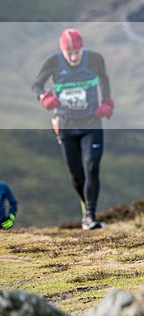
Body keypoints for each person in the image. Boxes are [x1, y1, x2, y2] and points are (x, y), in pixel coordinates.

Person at [32, 28, 114, 231]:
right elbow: (37, 85)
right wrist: (44, 97)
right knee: (77, 174)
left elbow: (104, 79)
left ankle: (90, 216)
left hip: (91, 123)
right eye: (70, 53)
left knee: (92, 166)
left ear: (82, 48)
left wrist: (107, 102)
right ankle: (86, 207)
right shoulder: (53, 62)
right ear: (63, 51)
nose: (74, 57)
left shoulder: (95, 59)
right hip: (66, 125)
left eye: (77, 52)